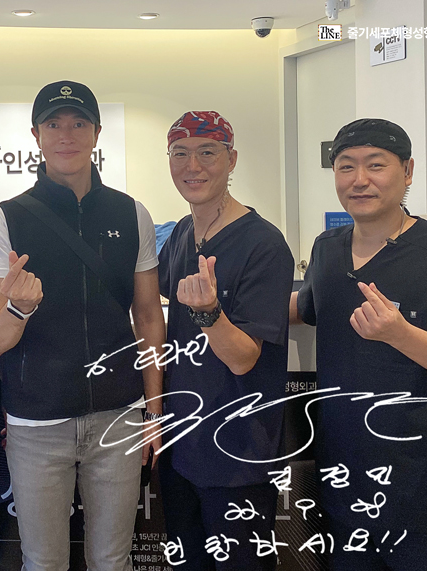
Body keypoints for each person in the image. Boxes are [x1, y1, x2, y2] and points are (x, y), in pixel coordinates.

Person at [290, 118, 427, 570]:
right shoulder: (327, 249)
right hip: (346, 490)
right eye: (346, 167)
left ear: (407, 171)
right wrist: (217, 308)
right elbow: (306, 306)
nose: (359, 180)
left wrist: (399, 333)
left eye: (376, 165)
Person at [0, 80, 165, 571]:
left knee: (113, 560)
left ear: (97, 133)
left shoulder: (131, 213)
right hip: (36, 422)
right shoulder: (6, 219)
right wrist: (19, 309)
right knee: (43, 563)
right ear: (36, 135)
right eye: (54, 123)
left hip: (120, 415)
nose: (67, 135)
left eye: (79, 123)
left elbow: (148, 315)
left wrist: (154, 410)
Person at [157, 111, 294, 571]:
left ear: (231, 159)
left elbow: (243, 358)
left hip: (237, 453)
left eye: (207, 152)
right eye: (180, 153)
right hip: (182, 446)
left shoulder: (263, 244)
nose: (192, 166)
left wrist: (209, 313)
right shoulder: (182, 233)